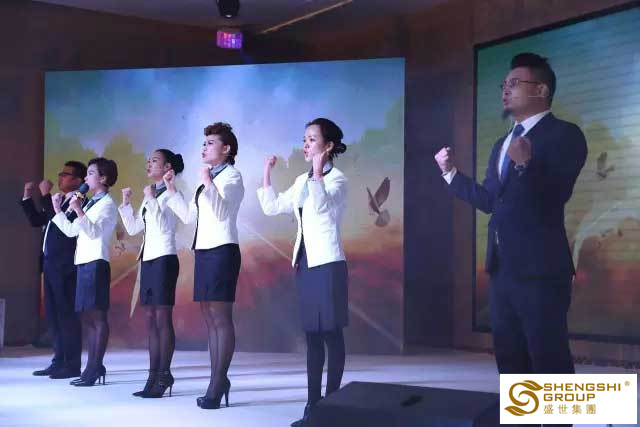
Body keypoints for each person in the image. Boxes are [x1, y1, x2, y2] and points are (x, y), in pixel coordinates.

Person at [434, 53, 587, 383]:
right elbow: (491, 200)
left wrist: (525, 165)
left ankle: (557, 414)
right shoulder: (501, 144)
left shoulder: (565, 134)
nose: (505, 90)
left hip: (541, 269)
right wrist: (450, 173)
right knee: (510, 358)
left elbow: (556, 194)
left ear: (541, 90)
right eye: (504, 84)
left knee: (549, 358)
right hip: (502, 269)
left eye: (515, 84)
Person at [258, 118, 349, 427]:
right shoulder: (301, 180)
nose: (306, 145)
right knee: (312, 336)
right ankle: (312, 405)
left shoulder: (338, 180)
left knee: (331, 334)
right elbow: (273, 207)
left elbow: (322, 207)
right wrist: (267, 172)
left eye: (312, 139)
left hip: (328, 263)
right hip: (306, 263)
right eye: (305, 139)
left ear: (328, 146)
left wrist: (318, 174)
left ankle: (333, 405)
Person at [164, 122, 244, 409]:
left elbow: (221, 212)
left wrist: (208, 182)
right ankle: (217, 380)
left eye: (210, 143)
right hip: (205, 251)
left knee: (221, 318)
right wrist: (171, 189)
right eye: (204, 143)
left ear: (226, 149)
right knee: (210, 317)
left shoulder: (232, 177)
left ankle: (218, 382)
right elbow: (189, 216)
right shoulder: (207, 180)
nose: (204, 147)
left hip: (223, 250)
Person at [119, 149, 184, 398]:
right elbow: (136, 228)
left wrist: (152, 199)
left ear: (167, 167)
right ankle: (152, 375)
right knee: (151, 320)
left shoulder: (172, 194)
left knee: (162, 319)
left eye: (154, 160)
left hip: (164, 259)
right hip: (147, 259)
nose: (149, 164)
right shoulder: (152, 194)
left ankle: (164, 374)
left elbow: (164, 226)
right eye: (148, 160)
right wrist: (126, 204)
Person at [51, 157, 119, 387]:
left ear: (103, 178)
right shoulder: (90, 204)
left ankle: (95, 367)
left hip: (96, 262)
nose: (86, 179)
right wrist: (58, 209)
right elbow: (71, 231)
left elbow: (94, 232)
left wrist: (79, 209)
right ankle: (92, 366)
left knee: (97, 316)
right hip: (82, 262)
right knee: (86, 317)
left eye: (91, 174)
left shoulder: (108, 204)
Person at [20, 161, 87, 379]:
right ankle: (58, 360)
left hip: (66, 265)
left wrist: (46, 196)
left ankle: (72, 363)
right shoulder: (60, 200)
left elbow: (62, 223)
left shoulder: (79, 200)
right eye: (61, 173)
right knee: (53, 315)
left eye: (66, 174)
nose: (61, 177)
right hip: (50, 264)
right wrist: (28, 197)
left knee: (67, 315)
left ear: (78, 180)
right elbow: (37, 220)